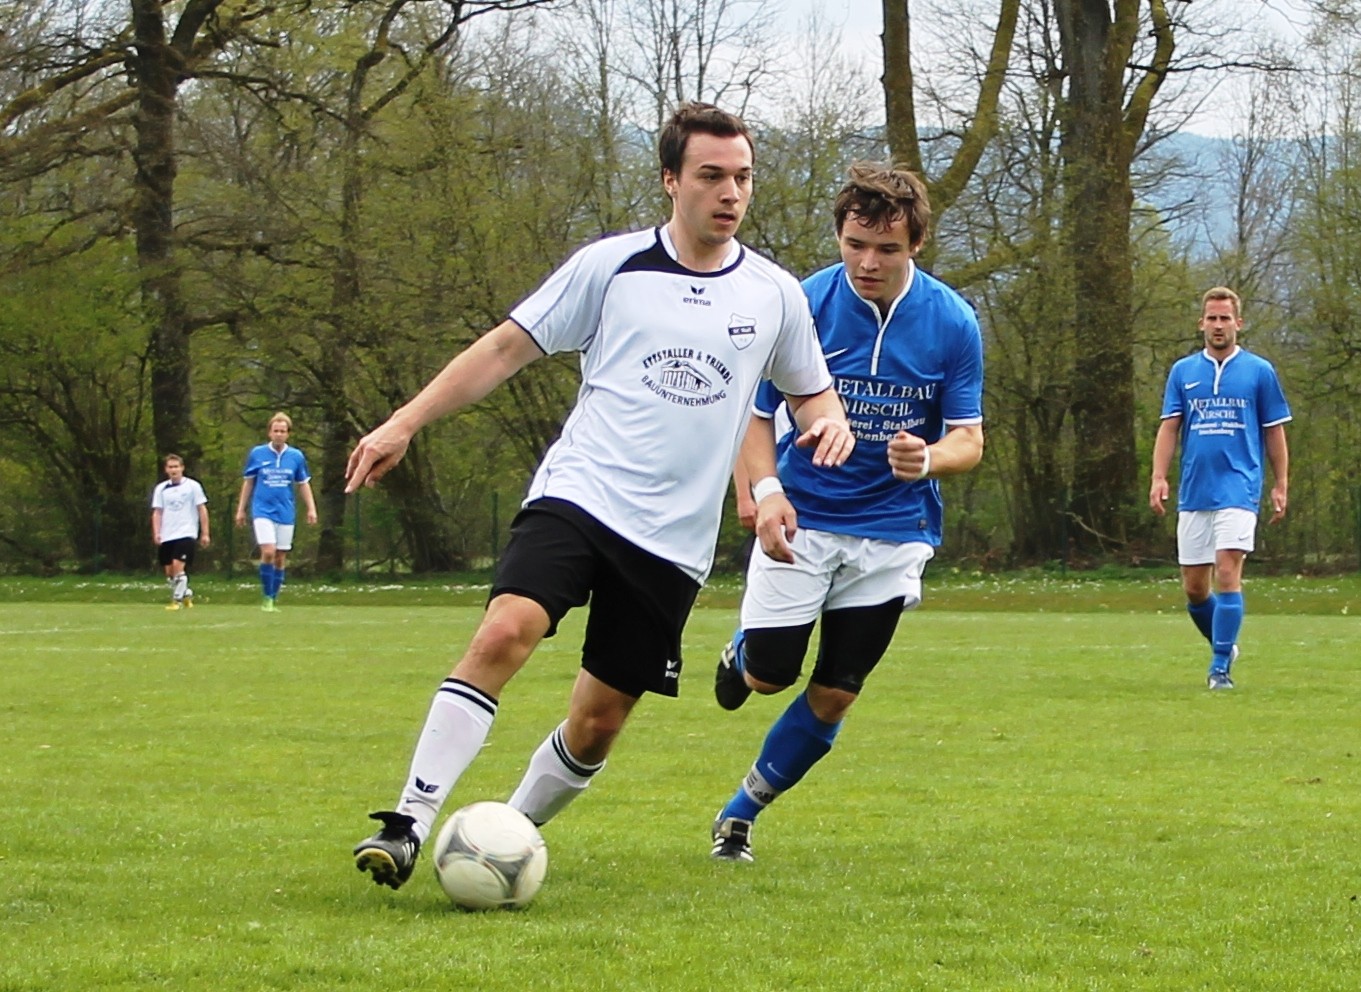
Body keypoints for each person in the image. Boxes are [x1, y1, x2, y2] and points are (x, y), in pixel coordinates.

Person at [345, 102, 854, 891]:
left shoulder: (774, 295)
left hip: (672, 544)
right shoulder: (610, 266)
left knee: (597, 724)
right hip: (580, 494)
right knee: (506, 629)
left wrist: (823, 436)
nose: (730, 193)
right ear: (670, 181)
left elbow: (812, 399)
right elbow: (505, 348)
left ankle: (501, 837)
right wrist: (403, 423)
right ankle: (408, 822)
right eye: (711, 176)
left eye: (742, 178)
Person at [709, 163, 985, 863]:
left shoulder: (952, 322)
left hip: (892, 532)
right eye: (856, 243)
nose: (868, 262)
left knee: (835, 692)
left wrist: (926, 458)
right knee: (770, 675)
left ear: (915, 245)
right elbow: (753, 412)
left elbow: (968, 440)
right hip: (802, 520)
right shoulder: (800, 305)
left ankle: (739, 815)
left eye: (887, 249)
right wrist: (763, 490)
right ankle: (741, 656)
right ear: (838, 233)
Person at [1149, 286, 1291, 690]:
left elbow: (1274, 432)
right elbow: (1169, 427)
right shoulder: (1183, 372)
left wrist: (1280, 484)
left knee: (1227, 570)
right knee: (1196, 589)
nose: (1217, 325)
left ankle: (1219, 669)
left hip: (1240, 487)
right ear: (1201, 323)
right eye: (1211, 318)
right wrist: (1159, 477)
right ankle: (1225, 643)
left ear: (1238, 324)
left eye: (1225, 318)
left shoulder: (1259, 372)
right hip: (1195, 491)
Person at [234, 412, 318, 612]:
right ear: (269, 433)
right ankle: (266, 598)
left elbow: (303, 484)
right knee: (268, 551)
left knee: (280, 556)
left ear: (288, 434)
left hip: (285, 511)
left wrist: (311, 508)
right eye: (276, 431)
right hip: (262, 509)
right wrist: (241, 509)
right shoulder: (258, 453)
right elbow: (249, 482)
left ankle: (273, 596)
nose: (279, 434)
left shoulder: (296, 456)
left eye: (283, 431)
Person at [150, 454, 211, 610]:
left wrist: (205, 533)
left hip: (186, 532)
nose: (174, 470)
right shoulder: (161, 488)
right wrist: (157, 532)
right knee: (170, 572)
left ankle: (176, 601)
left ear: (182, 468)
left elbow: (201, 509)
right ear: (166, 470)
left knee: (178, 567)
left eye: (176, 466)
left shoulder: (193, 486)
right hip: (167, 534)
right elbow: (157, 512)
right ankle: (186, 594)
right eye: (170, 467)